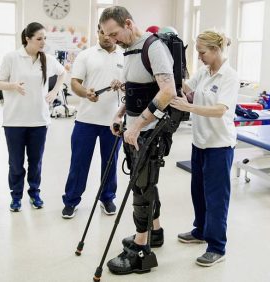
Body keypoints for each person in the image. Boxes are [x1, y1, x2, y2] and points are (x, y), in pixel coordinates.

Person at [99, 6, 177, 275]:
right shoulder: (130, 51)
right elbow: (135, 93)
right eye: (108, 36)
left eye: (114, 33)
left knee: (141, 189)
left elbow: (168, 91)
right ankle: (154, 232)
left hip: (150, 132)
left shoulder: (153, 47)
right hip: (135, 129)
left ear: (129, 23)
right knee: (146, 182)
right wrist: (120, 115)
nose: (112, 40)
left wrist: (138, 126)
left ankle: (141, 249)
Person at [170, 30, 239, 267]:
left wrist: (189, 107)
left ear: (216, 50)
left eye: (202, 52)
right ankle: (200, 231)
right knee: (198, 192)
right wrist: (174, 82)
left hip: (219, 145)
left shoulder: (229, 76)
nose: (199, 56)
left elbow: (220, 110)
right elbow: (186, 90)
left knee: (216, 198)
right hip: (199, 142)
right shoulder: (204, 71)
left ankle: (217, 247)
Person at [0, 22, 66, 212]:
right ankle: (16, 197)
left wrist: (54, 92)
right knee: (16, 164)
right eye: (39, 38)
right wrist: (13, 86)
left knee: (35, 163)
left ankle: (34, 193)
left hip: (39, 121)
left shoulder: (48, 59)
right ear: (27, 39)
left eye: (45, 38)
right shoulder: (12, 57)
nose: (43, 42)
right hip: (14, 121)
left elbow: (62, 73)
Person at [61, 25, 124, 219]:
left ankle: (107, 198)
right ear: (97, 32)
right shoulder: (86, 55)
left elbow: (132, 84)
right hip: (86, 120)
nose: (106, 37)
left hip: (114, 120)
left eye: (110, 33)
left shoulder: (125, 55)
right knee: (79, 162)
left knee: (110, 163)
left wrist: (122, 84)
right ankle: (71, 200)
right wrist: (86, 93)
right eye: (102, 32)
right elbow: (75, 83)